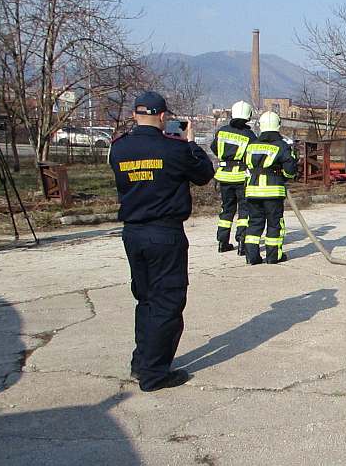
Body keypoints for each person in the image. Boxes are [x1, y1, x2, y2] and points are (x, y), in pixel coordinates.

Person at [108, 91, 215, 391]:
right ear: (163, 116)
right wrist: (190, 142)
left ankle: (142, 362)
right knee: (167, 301)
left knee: (145, 299)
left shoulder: (119, 147)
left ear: (134, 115)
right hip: (164, 232)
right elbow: (204, 174)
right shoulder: (174, 148)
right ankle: (155, 374)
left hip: (133, 232)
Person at [243, 110, 298, 265]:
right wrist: (284, 176)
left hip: (252, 190)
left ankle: (252, 257)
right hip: (273, 192)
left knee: (254, 223)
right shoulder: (282, 146)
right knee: (274, 224)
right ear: (278, 125)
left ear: (261, 126)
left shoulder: (252, 145)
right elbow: (290, 170)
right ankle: (273, 256)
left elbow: (246, 165)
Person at [210, 100, 256, 254]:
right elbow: (254, 155)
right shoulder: (249, 135)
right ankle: (242, 242)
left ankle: (222, 242)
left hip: (224, 176)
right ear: (248, 115)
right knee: (244, 210)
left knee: (227, 210)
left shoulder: (222, 131)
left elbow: (214, 147)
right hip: (241, 177)